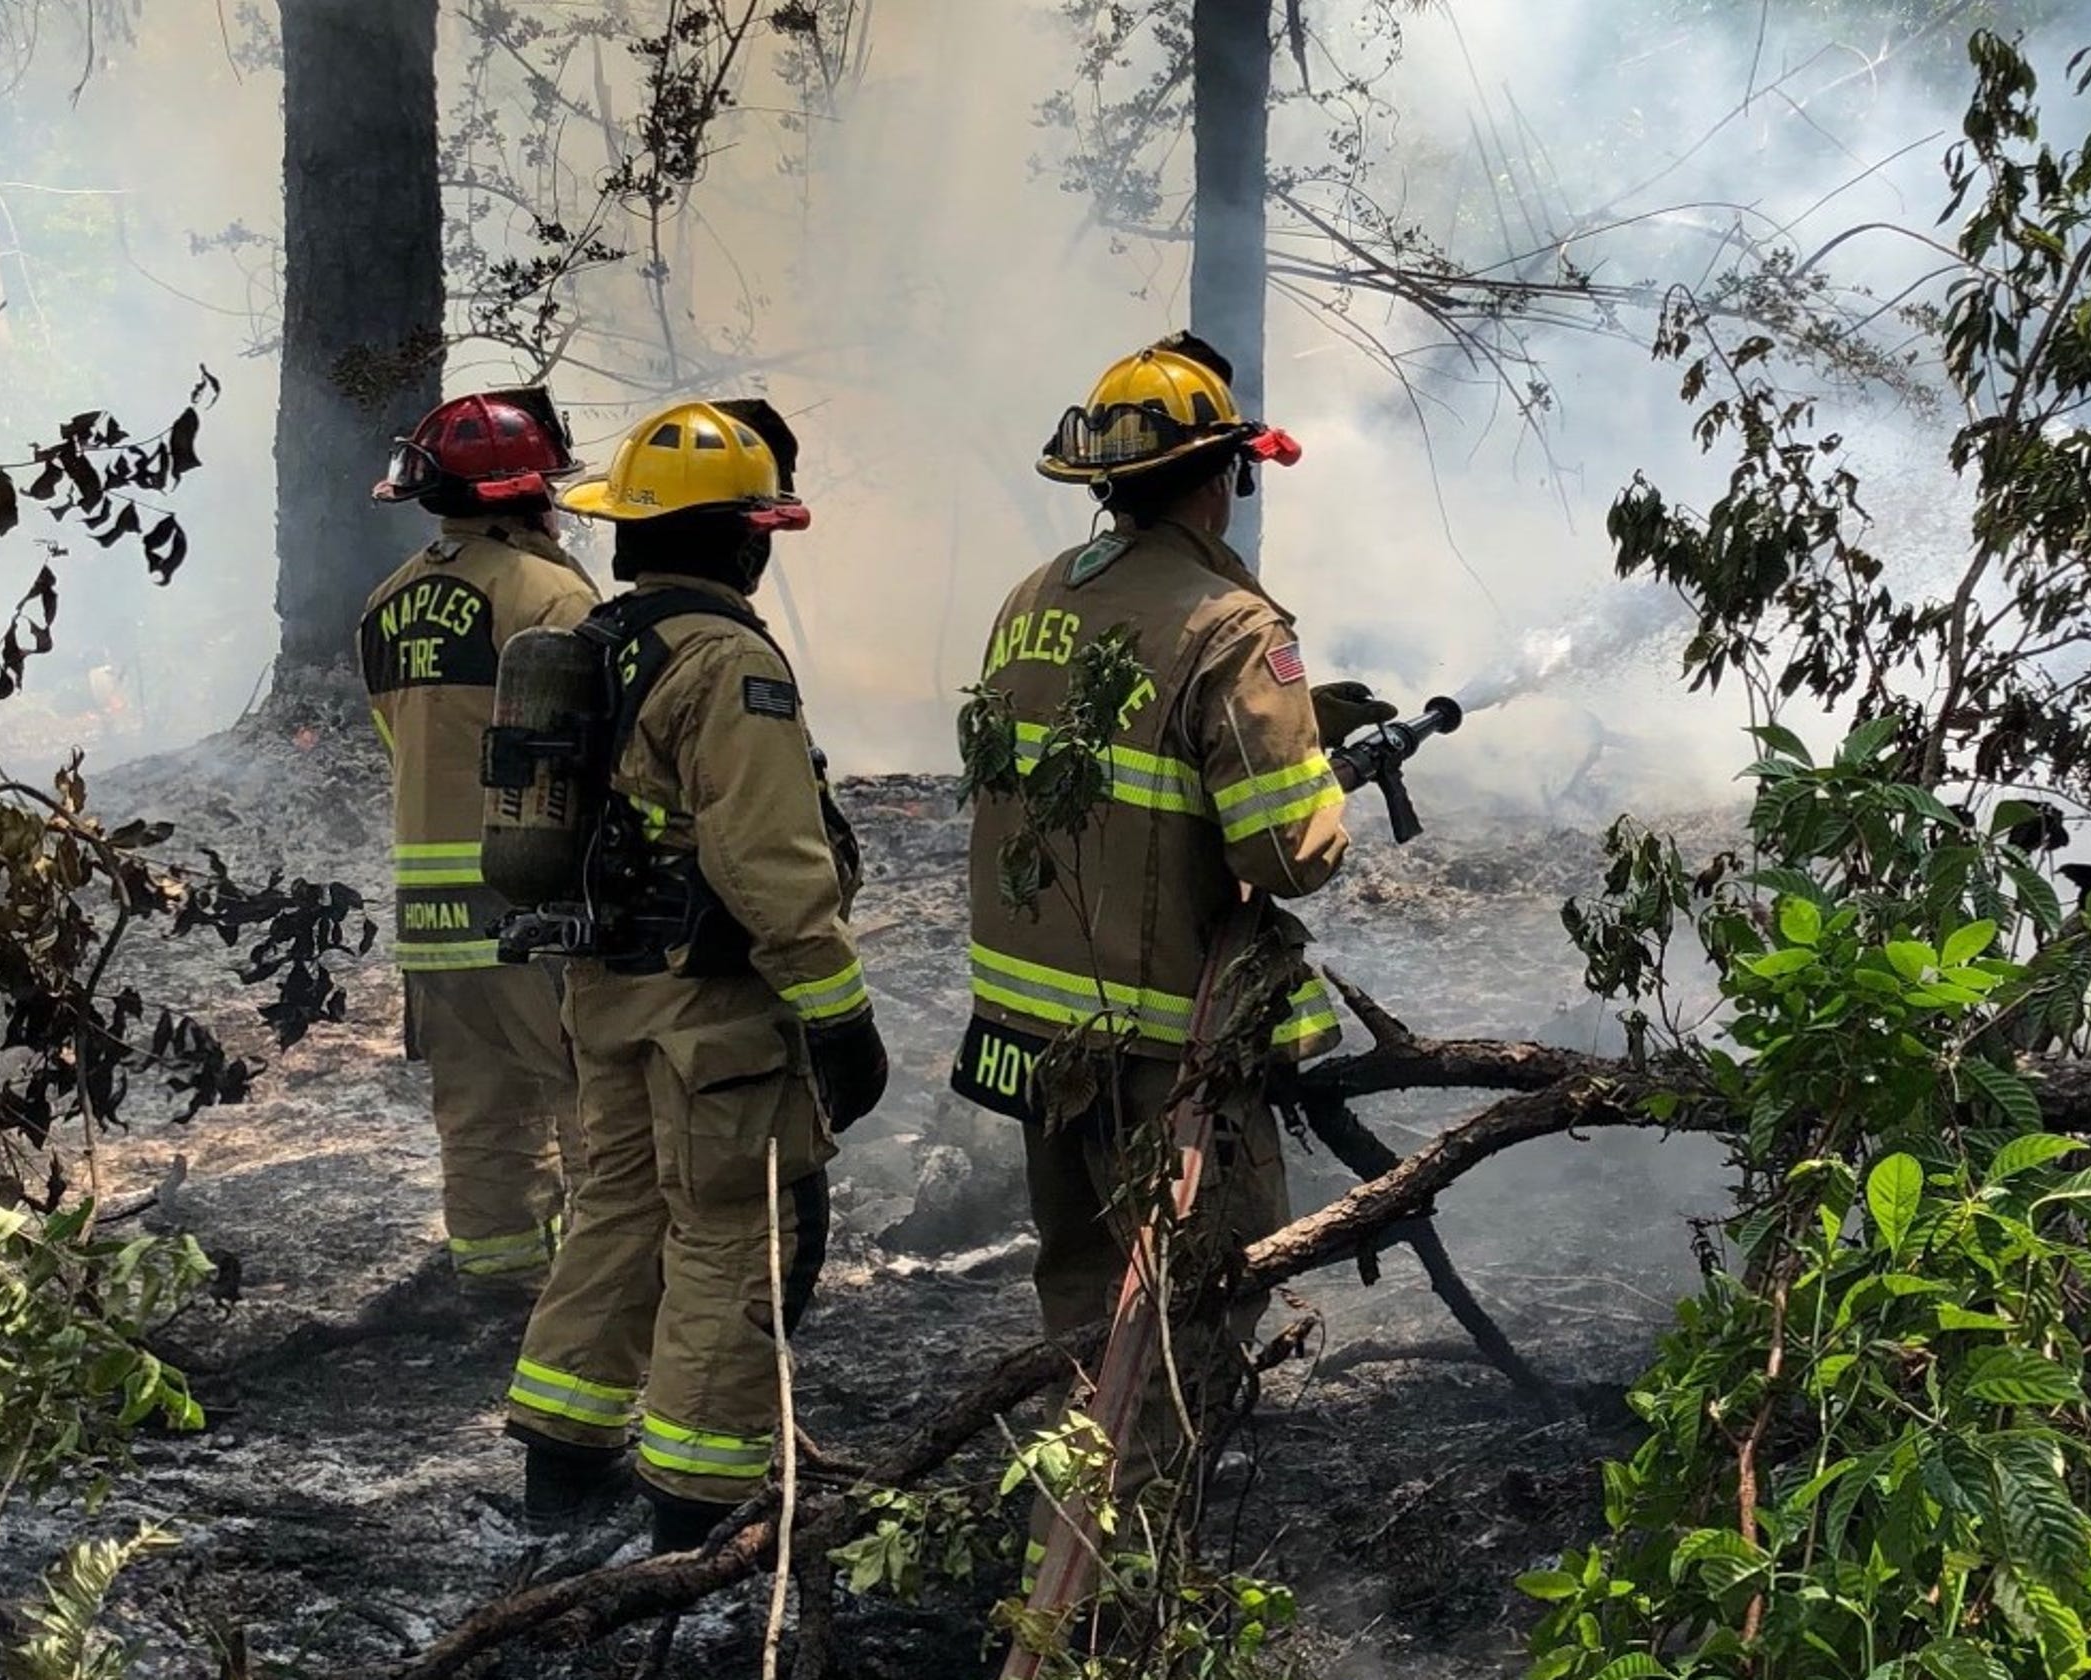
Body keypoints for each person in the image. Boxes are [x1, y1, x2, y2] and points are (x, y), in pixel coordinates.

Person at [950, 333, 1393, 1534]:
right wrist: (1320, 777)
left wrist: (1288, 735)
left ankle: (1058, 1543)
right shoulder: (1232, 629)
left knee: (1085, 1308)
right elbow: (1284, 855)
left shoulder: (1033, 600)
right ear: (1223, 477)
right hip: (1166, 1060)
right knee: (1181, 1321)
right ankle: (1120, 1594)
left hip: (1040, 1035)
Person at [496, 398, 890, 1553]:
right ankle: (700, 1510)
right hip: (712, 1017)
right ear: (743, 539)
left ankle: (561, 1471)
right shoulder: (724, 661)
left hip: (610, 995)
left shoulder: (604, 641)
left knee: (615, 1214)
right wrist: (841, 1019)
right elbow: (769, 861)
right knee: (739, 1231)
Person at [356, 388, 595, 1297]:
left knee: (479, 1113)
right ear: (532, 495)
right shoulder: (551, 594)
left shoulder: (383, 605)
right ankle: (595, 1291)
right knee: (587, 1094)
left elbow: (398, 739)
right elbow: (587, 746)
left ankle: (498, 1285)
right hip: (529, 898)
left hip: (432, 913)